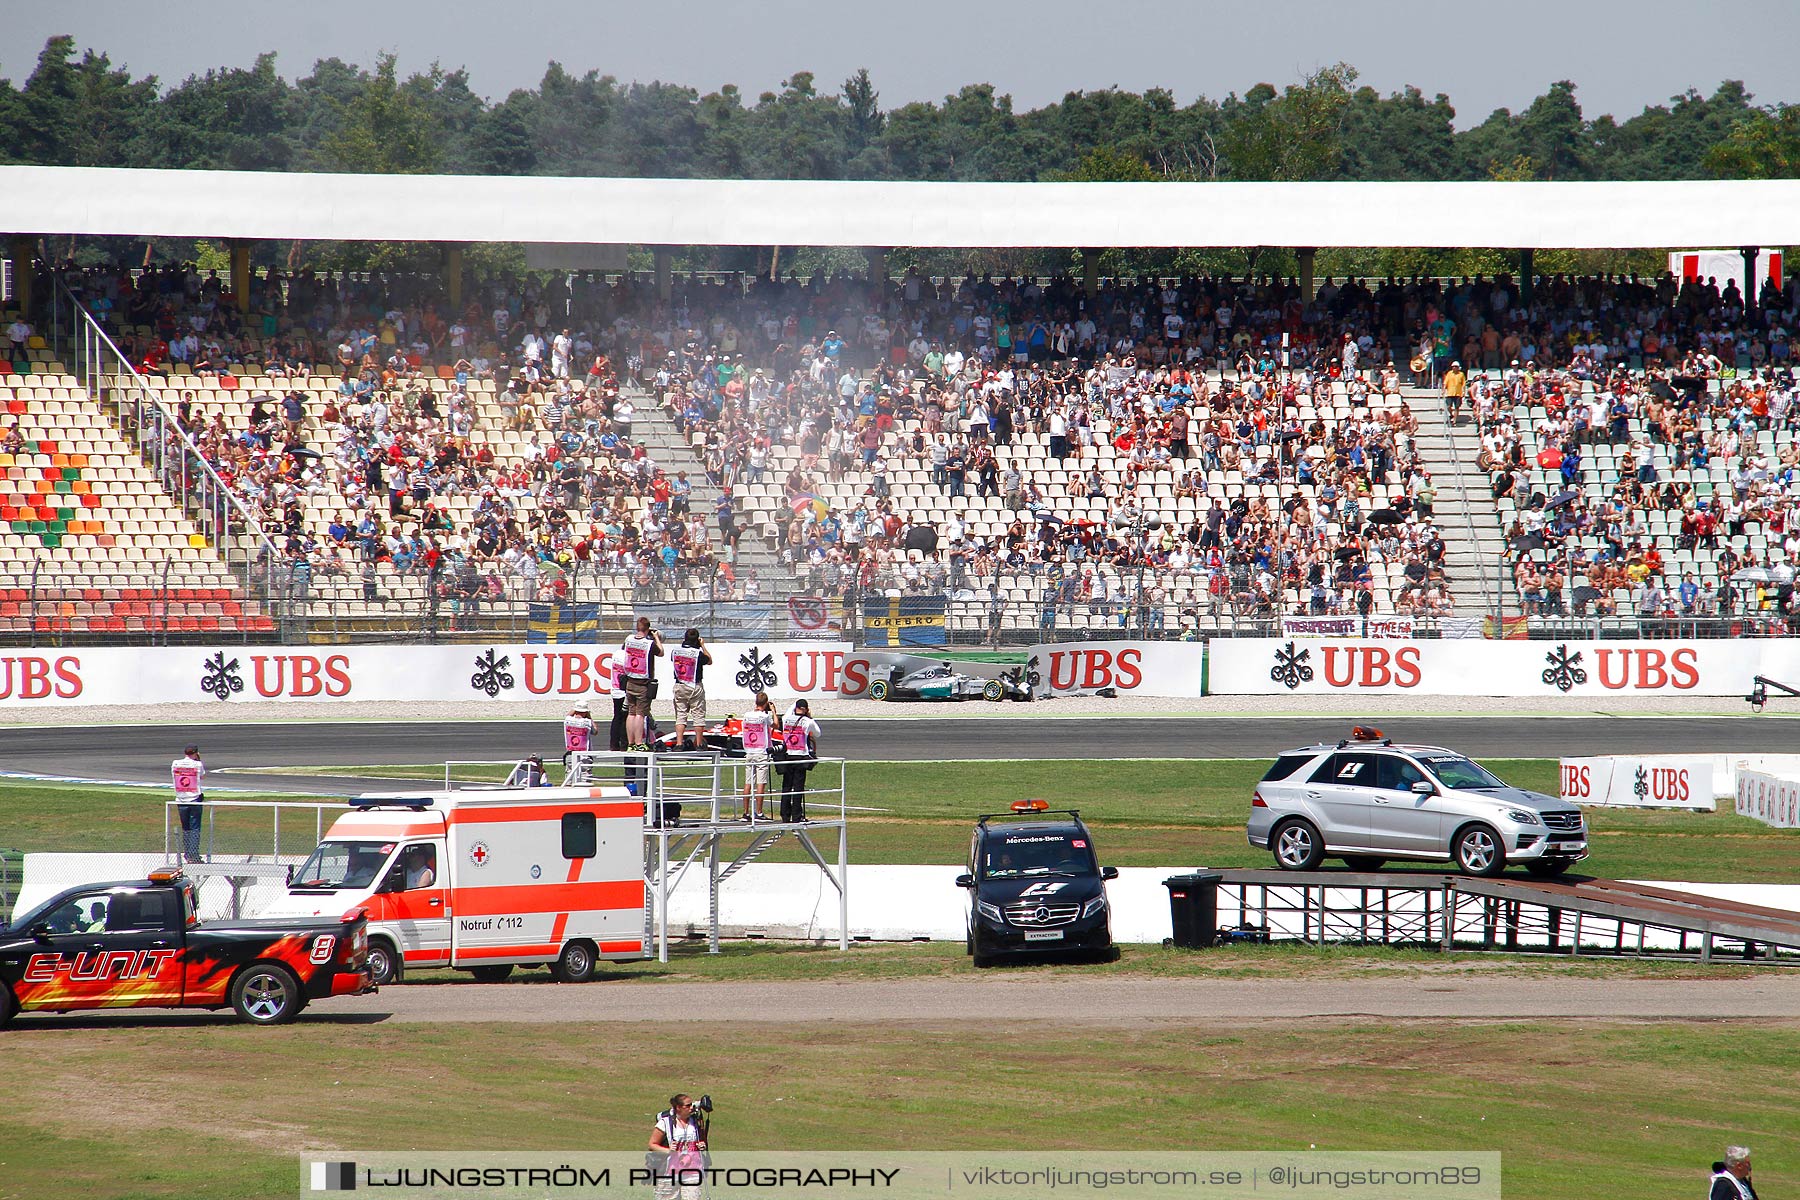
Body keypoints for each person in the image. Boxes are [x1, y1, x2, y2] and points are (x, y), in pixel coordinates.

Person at [647, 1094, 708, 1200]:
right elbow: (652, 1145)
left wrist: (701, 1145)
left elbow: (701, 1141)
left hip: (692, 1172)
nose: (691, 1108)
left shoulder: (695, 1121)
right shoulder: (665, 1123)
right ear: (678, 1108)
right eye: (688, 1106)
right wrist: (668, 1150)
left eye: (692, 1105)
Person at [620, 617, 665, 750]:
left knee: (631, 713)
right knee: (640, 714)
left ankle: (630, 743)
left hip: (629, 680)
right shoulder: (649, 643)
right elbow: (661, 652)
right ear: (648, 629)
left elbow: (624, 648)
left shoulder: (628, 639)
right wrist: (655, 637)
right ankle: (639, 743)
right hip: (642, 683)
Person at [778, 698, 821, 823]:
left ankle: (785, 815)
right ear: (806, 709)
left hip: (787, 755)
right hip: (801, 756)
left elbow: (788, 710)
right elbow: (818, 733)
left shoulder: (786, 718)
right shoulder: (807, 721)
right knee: (798, 787)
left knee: (786, 786)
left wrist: (794, 706)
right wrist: (809, 715)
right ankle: (797, 815)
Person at [670, 629, 713, 751]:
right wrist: (703, 646)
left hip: (680, 684)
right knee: (698, 715)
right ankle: (699, 743)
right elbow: (709, 660)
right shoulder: (697, 653)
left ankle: (679, 744)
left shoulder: (675, 651)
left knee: (680, 715)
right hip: (695, 685)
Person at [740, 691, 777, 821]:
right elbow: (776, 725)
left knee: (748, 782)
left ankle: (745, 812)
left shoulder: (746, 715)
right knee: (761, 783)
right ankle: (759, 812)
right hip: (761, 752)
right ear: (766, 703)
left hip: (749, 750)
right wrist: (773, 711)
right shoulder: (764, 716)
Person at [171, 744, 206, 862]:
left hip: (180, 800)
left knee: (186, 828)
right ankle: (193, 855)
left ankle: (187, 854)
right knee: (195, 828)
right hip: (195, 799)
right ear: (196, 753)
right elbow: (202, 776)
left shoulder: (175, 763)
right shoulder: (198, 764)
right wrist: (198, 760)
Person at [563, 700, 595, 766]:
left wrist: (574, 709)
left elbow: (568, 715)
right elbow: (595, 731)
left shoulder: (567, 720)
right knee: (585, 775)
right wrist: (589, 716)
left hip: (571, 754)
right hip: (585, 755)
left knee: (570, 774)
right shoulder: (587, 722)